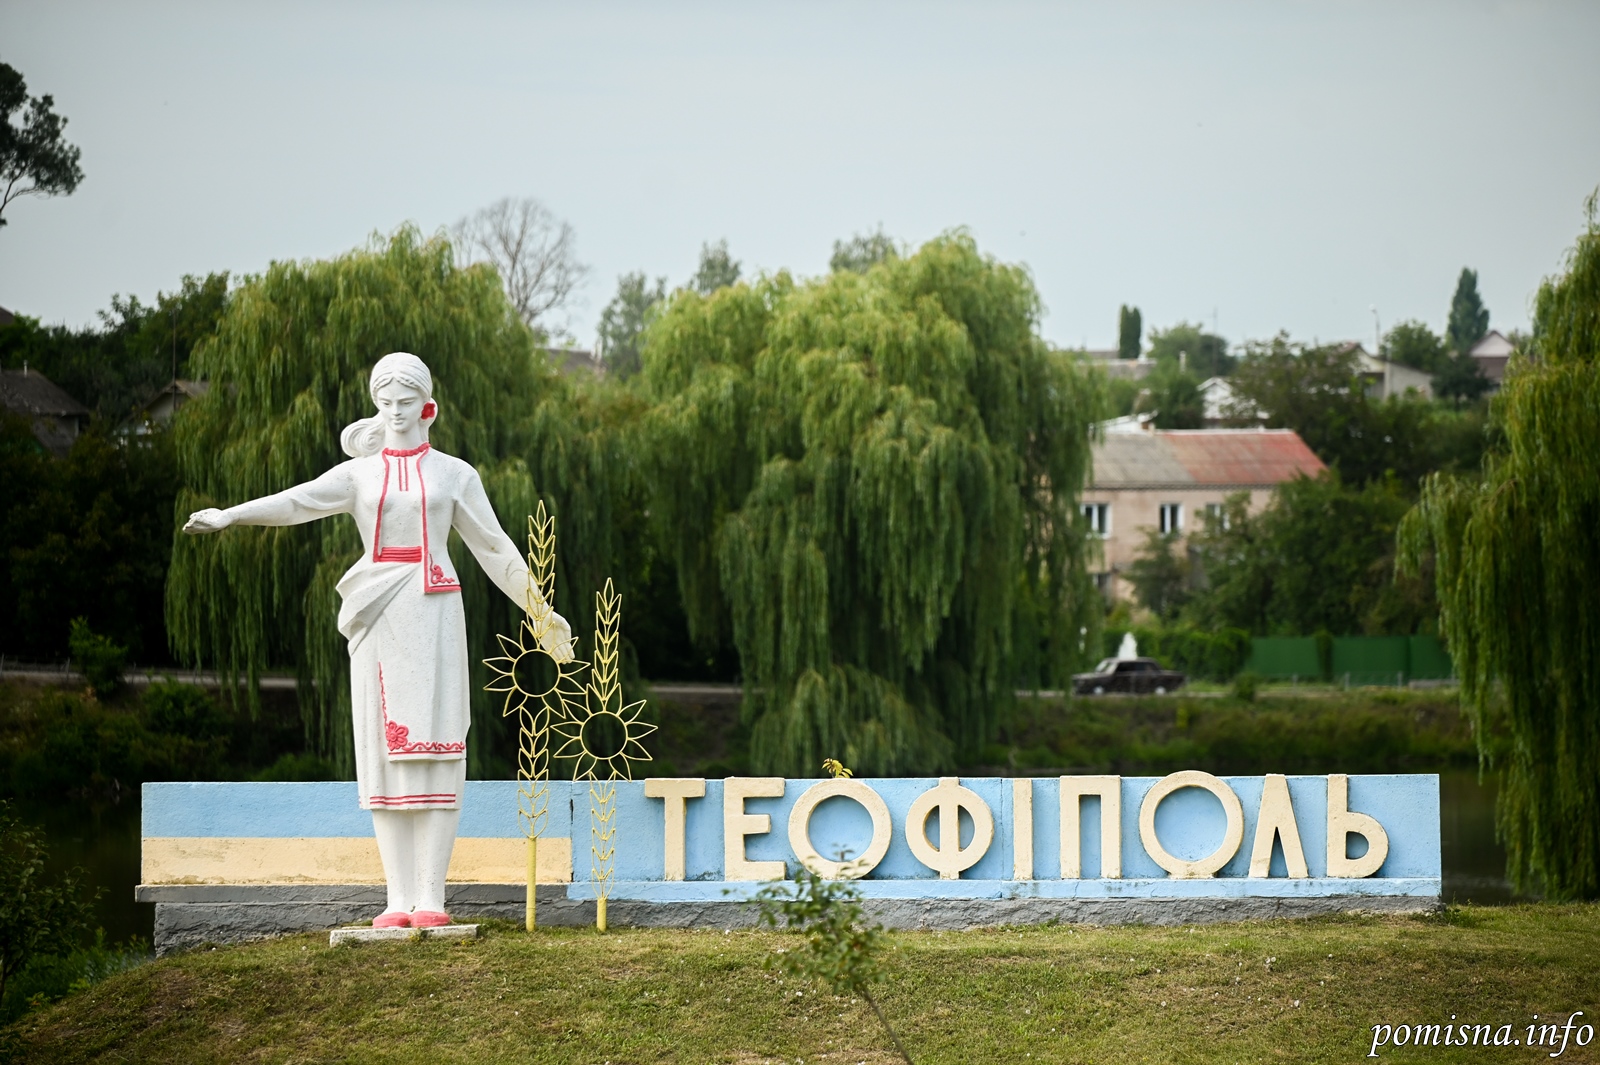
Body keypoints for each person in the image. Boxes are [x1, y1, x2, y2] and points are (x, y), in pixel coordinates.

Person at [183, 352, 572, 928]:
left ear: (428, 407)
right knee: (383, 753)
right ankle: (396, 898)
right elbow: (296, 501)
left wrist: (540, 610)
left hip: (435, 610)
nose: (394, 411)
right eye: (385, 402)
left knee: (438, 750)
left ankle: (432, 898)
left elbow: (494, 547)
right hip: (375, 610)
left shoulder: (455, 475)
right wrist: (231, 515)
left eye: (405, 402)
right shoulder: (358, 475)